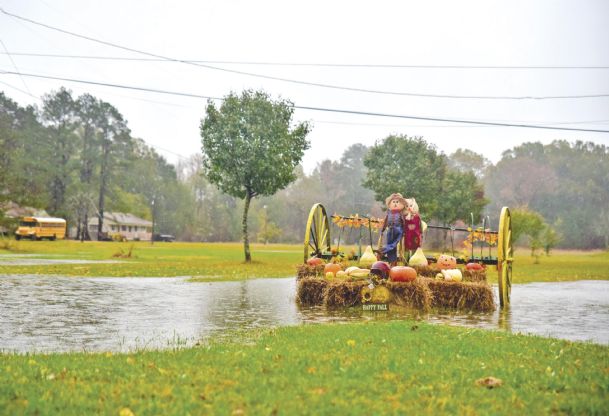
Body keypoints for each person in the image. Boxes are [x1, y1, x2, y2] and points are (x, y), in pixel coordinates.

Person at [380, 193, 407, 265]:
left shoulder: (401, 213)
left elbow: (403, 222)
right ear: (389, 204)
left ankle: (383, 250)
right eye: (393, 202)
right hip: (390, 230)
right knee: (391, 245)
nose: (395, 204)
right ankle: (392, 262)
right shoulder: (389, 212)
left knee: (394, 244)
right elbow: (385, 221)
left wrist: (404, 231)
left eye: (397, 202)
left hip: (398, 230)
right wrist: (383, 229)